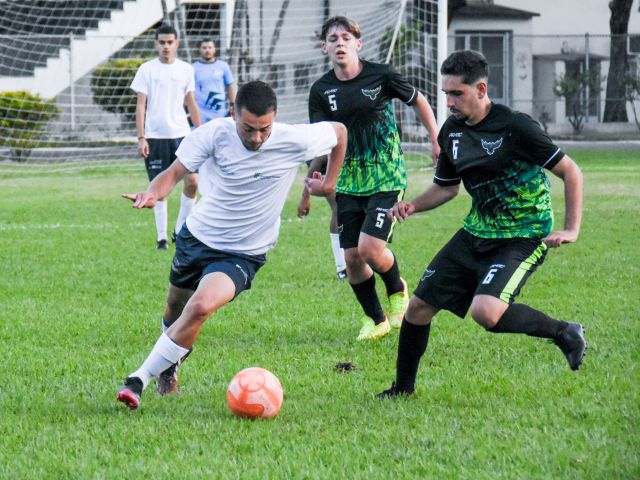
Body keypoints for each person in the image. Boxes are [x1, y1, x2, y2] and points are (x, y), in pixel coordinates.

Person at [116, 80, 347, 410]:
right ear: (233, 114)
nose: (256, 138)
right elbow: (175, 171)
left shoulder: (293, 139)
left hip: (244, 253)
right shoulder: (213, 133)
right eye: (248, 129)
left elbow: (339, 132)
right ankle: (171, 362)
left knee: (199, 307)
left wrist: (330, 181)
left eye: (264, 129)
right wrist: (154, 193)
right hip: (197, 239)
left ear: (275, 118)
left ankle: (138, 379)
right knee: (175, 307)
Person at [377, 50, 586, 399]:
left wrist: (571, 228)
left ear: (481, 89)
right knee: (418, 308)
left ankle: (565, 332)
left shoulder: (515, 126)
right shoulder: (452, 132)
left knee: (486, 313)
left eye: (456, 93)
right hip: (476, 231)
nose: (450, 101)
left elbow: (570, 171)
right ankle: (403, 389)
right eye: (446, 94)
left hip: (522, 234)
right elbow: (446, 187)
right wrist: (413, 204)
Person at [305, 16, 440, 341]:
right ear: (324, 47)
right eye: (333, 38)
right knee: (351, 258)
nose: (340, 43)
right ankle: (375, 319)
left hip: (386, 174)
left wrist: (435, 138)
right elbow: (324, 140)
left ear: (357, 44)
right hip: (348, 180)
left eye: (345, 38)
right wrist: (309, 186)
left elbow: (418, 100)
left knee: (369, 249)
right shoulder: (321, 90)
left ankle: (397, 287)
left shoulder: (382, 75)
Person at [131, 24, 201, 250]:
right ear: (156, 44)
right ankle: (161, 238)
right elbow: (141, 105)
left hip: (182, 134)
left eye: (170, 42)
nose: (166, 46)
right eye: (162, 42)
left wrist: (199, 133)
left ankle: (180, 229)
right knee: (159, 189)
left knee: (193, 182)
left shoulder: (186, 70)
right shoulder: (146, 69)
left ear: (177, 44)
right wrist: (142, 137)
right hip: (155, 137)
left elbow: (191, 103)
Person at [297, 156, 347, 280]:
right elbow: (318, 160)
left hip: (347, 164)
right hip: (323, 164)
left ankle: (358, 261)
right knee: (339, 207)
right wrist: (305, 197)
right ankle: (342, 268)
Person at [193, 38, 236, 123]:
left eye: (210, 47)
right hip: (201, 113)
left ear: (214, 49)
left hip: (219, 113)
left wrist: (233, 104)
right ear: (200, 50)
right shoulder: (193, 68)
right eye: (204, 48)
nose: (207, 50)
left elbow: (230, 85)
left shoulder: (223, 66)